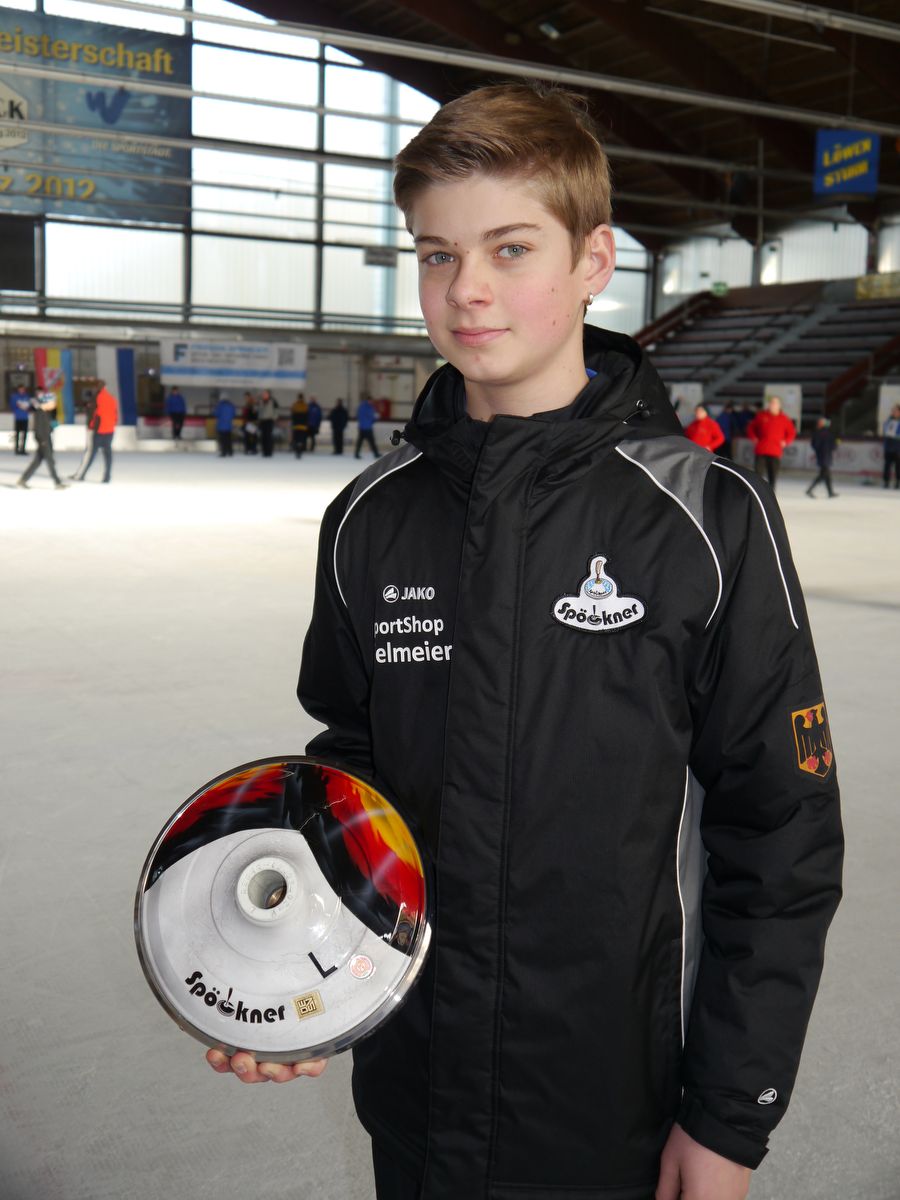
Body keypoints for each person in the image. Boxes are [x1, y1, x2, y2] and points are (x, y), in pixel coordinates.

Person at [206, 84, 843, 1200]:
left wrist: (729, 1115)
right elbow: (347, 786)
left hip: (617, 1107)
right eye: (437, 255)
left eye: (511, 248)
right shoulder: (370, 518)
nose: (468, 289)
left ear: (594, 259)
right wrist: (297, 984)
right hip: (416, 1096)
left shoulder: (705, 518)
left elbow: (779, 832)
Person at [16, 392, 67, 490]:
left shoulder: (46, 413)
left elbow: (47, 427)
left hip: (46, 439)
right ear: (47, 402)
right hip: (44, 441)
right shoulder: (39, 413)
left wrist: (54, 425)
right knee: (50, 461)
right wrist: (42, 441)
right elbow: (38, 429)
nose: (54, 404)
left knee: (37, 462)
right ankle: (57, 483)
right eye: (53, 402)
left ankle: (23, 480)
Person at [71, 380, 118, 483]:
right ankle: (107, 477)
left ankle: (82, 475)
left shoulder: (96, 398)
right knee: (108, 455)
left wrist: (91, 426)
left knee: (91, 453)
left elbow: (94, 413)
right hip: (110, 430)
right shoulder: (112, 398)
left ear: (96, 387)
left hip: (98, 430)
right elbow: (115, 415)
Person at [747, 395, 796, 490]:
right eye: (771, 403)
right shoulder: (761, 416)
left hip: (775, 452)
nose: (772, 405)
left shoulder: (784, 419)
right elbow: (751, 428)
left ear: (779, 405)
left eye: (775, 403)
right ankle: (757, 495)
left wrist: (786, 442)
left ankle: (771, 497)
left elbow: (792, 433)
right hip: (761, 451)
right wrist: (754, 438)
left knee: (772, 478)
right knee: (757, 477)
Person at [807, 417, 838, 498]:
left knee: (827, 475)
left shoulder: (818, 433)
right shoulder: (828, 433)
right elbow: (834, 445)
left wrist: (819, 450)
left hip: (822, 456)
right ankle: (809, 490)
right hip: (825, 456)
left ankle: (830, 492)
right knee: (823, 475)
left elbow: (814, 445)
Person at [8, 382, 31, 455]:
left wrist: (27, 407)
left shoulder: (27, 396)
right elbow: (12, 405)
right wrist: (18, 407)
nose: (22, 390)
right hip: (18, 417)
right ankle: (16, 449)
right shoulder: (14, 397)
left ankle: (23, 449)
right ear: (18, 389)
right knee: (17, 433)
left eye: (23, 389)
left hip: (25, 417)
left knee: (24, 434)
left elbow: (30, 406)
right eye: (20, 389)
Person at [882, 403, 900, 489]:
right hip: (888, 447)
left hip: (898, 448)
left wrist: (896, 435)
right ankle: (886, 482)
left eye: (895, 410)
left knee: (898, 466)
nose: (893, 412)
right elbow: (885, 429)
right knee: (887, 465)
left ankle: (897, 482)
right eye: (893, 410)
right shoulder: (889, 420)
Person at [258, 389, 279, 457]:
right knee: (263, 437)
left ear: (269, 394)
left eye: (265, 394)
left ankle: (269, 451)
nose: (264, 395)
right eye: (263, 394)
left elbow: (276, 410)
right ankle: (264, 451)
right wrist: (259, 418)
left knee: (269, 436)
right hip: (262, 420)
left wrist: (274, 418)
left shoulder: (273, 401)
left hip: (269, 420)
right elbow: (259, 410)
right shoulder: (261, 401)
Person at [215, 393, 236, 457]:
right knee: (228, 439)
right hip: (229, 425)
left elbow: (216, 414)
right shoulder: (231, 405)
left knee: (222, 439)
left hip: (221, 425)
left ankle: (223, 452)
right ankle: (230, 451)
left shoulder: (220, 405)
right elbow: (233, 414)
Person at [291, 393, 309, 458]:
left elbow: (293, 415)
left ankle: (298, 451)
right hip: (301, 425)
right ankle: (299, 451)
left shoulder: (296, 405)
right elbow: (307, 416)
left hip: (298, 425)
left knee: (297, 439)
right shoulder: (305, 405)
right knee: (300, 440)